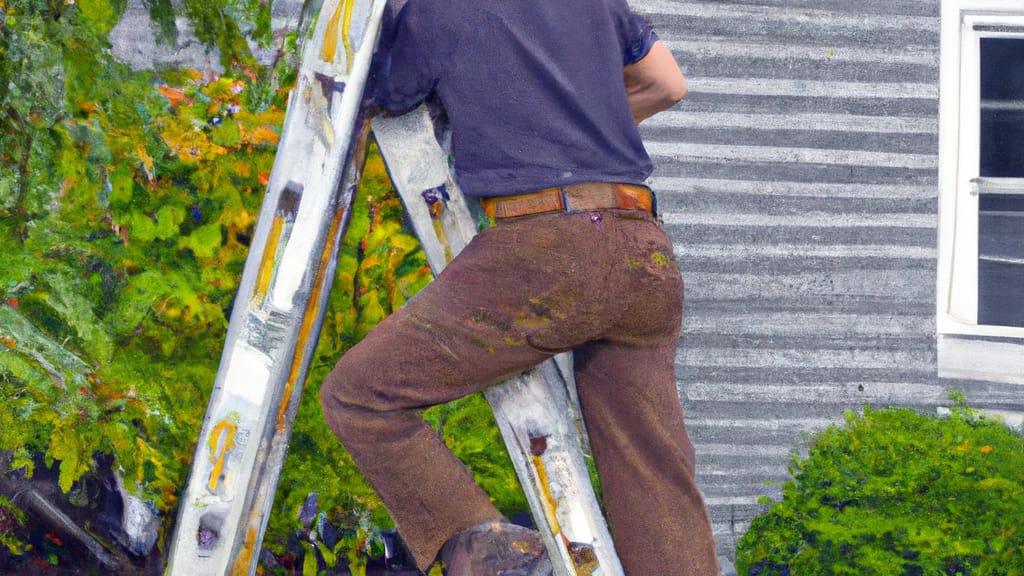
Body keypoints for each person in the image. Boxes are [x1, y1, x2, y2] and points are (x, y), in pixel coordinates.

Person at [319, 0, 719, 573]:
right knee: (651, 469)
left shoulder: (438, 10)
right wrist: (572, 134)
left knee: (358, 397)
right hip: (642, 246)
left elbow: (380, 93)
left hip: (546, 247)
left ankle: (489, 555)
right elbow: (666, 84)